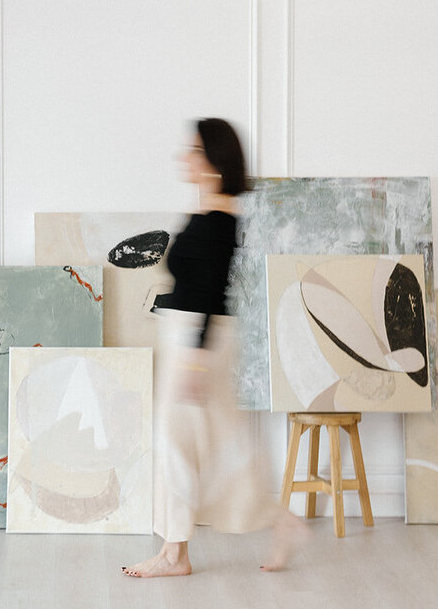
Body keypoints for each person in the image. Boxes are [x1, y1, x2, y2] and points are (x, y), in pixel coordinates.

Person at [122, 118, 307, 578]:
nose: (184, 158)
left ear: (212, 161)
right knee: (218, 443)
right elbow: (192, 284)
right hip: (190, 336)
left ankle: (175, 554)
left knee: (179, 444)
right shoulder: (209, 213)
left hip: (197, 341)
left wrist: (196, 361)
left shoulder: (219, 220)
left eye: (193, 150)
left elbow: (210, 292)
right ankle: (279, 522)